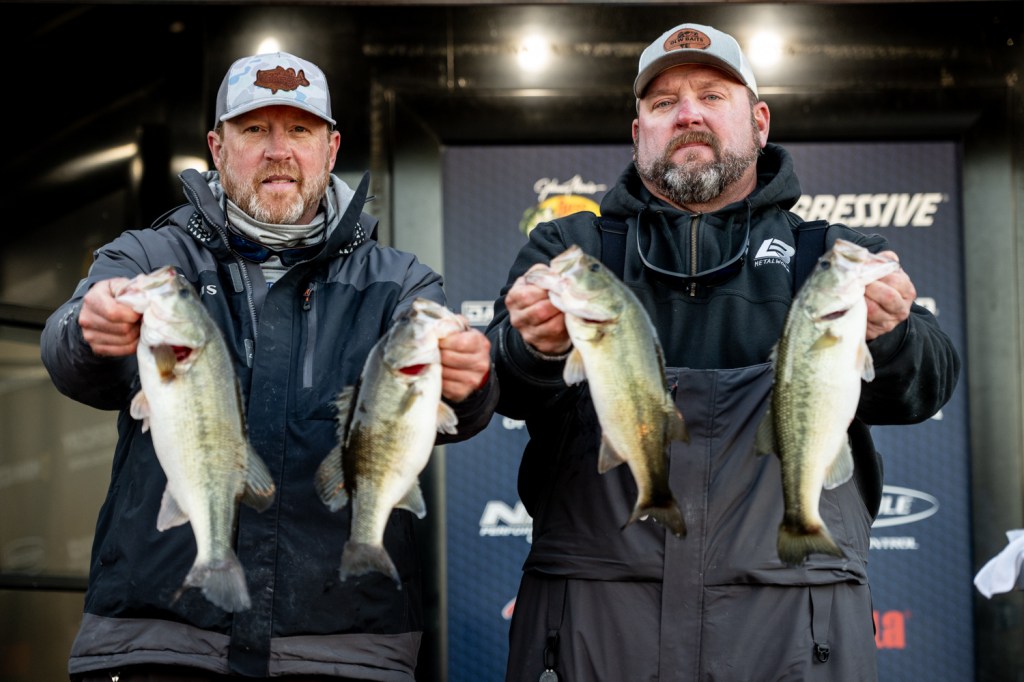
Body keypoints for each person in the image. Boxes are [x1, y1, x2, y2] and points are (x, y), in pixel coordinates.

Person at [486, 22, 960, 682]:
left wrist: (894, 334)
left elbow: (929, 384)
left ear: (759, 123)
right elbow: (494, 387)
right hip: (593, 626)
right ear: (638, 133)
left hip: (794, 632)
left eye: (712, 95)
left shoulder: (832, 256)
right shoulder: (572, 252)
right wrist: (529, 349)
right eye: (664, 103)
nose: (688, 115)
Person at [41, 51, 497, 681]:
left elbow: (454, 408)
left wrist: (472, 383)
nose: (278, 151)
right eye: (255, 129)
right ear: (217, 147)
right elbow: (68, 352)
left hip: (344, 650)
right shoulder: (149, 259)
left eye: (300, 130)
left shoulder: (401, 284)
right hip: (158, 642)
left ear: (331, 149)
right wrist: (87, 329)